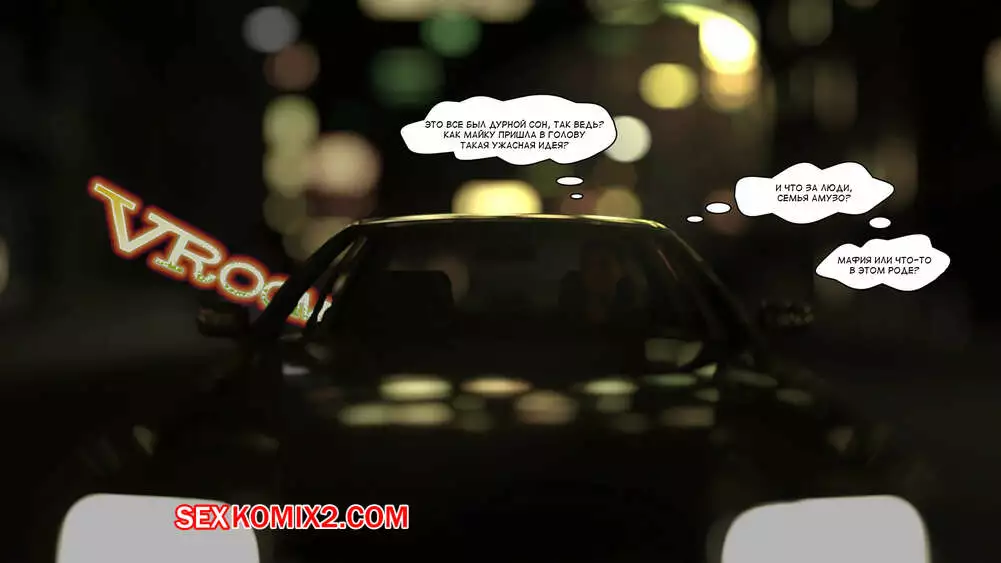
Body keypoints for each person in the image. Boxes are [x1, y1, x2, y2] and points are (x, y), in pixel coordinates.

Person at [560, 239, 633, 325]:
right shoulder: (563, 319)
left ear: (622, 270)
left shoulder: (635, 319)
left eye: (604, 265)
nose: (595, 272)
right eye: (588, 266)